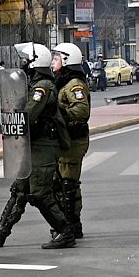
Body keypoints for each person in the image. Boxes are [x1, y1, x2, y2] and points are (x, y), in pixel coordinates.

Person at [0, 43, 76, 249]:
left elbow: (29, 115)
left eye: (25, 61)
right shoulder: (34, 83)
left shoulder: (43, 87)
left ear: (35, 62)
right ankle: (1, 231)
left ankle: (65, 231)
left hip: (43, 147)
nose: (23, 64)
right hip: (32, 146)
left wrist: (13, 117)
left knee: (40, 193)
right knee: (19, 190)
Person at [51, 42, 91, 241]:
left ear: (67, 60)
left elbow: (82, 111)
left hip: (75, 140)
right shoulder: (61, 82)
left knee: (69, 185)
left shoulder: (74, 84)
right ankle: (68, 224)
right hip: (65, 140)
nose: (53, 62)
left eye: (56, 58)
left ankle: (72, 224)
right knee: (59, 183)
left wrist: (58, 114)